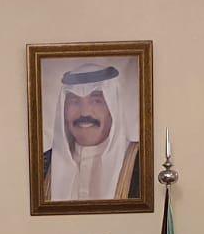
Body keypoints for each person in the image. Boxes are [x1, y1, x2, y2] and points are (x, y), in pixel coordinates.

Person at [41, 64, 141, 203]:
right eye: (74, 101)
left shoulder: (140, 163)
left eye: (96, 101)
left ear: (113, 108)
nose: (84, 112)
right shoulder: (44, 165)